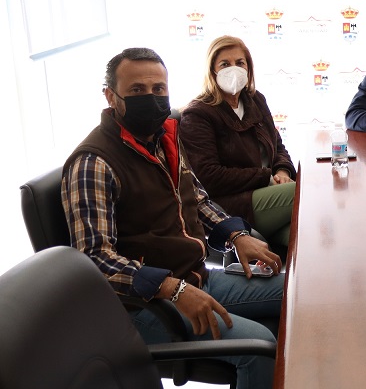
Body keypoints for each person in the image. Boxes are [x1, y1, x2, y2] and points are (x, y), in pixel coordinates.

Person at [62, 47, 284, 389]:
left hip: (196, 277)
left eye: (158, 89)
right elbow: (93, 259)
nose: (150, 98)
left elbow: (196, 197)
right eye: (137, 90)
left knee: (293, 292)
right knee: (260, 347)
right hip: (144, 307)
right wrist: (172, 288)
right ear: (110, 96)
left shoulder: (163, 138)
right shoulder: (93, 163)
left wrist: (237, 235)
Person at [180, 35, 295, 249]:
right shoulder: (198, 114)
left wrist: (283, 171)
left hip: (270, 195)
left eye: (240, 63)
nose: (234, 69)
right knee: (302, 193)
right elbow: (207, 176)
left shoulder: (256, 100)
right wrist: (266, 178)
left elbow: (278, 145)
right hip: (232, 205)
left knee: (300, 236)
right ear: (212, 71)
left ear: (248, 68)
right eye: (225, 64)